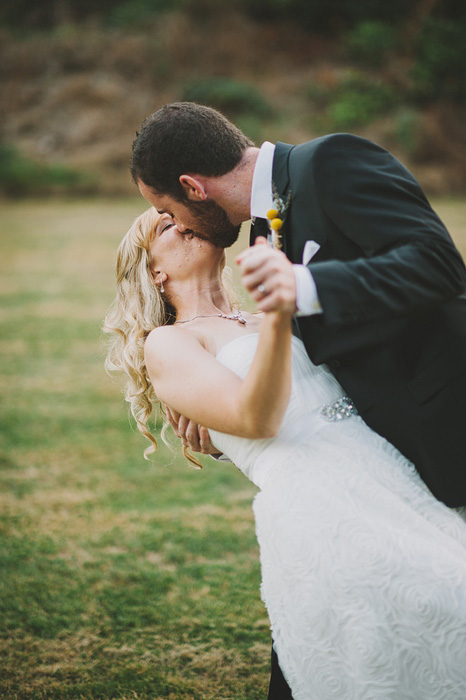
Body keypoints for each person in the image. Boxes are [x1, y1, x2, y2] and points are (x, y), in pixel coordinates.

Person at [129, 101, 466, 699]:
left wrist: (299, 291)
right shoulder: (261, 240)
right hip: (338, 486)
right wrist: (217, 414)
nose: (174, 222)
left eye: (166, 209)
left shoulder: (330, 164)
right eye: (161, 221)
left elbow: (439, 264)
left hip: (427, 440)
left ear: (192, 187)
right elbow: (267, 400)